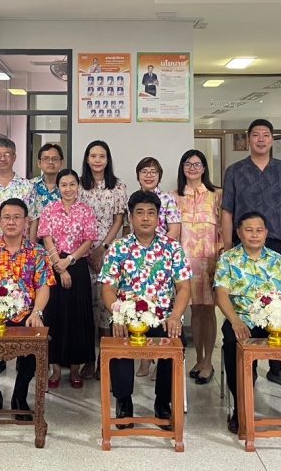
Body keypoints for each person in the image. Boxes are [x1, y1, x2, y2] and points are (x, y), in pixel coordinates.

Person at [221, 119, 281, 386]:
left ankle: (276, 367)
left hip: (279, 245)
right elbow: (227, 212)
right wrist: (227, 247)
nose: (260, 139)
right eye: (255, 135)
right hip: (243, 246)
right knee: (248, 301)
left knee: (278, 305)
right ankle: (250, 368)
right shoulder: (235, 171)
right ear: (248, 139)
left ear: (272, 139)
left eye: (265, 135)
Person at [99, 190, 191, 428]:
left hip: (162, 317)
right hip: (127, 315)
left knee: (175, 339)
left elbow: (184, 287)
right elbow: (108, 288)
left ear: (159, 217)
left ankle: (162, 402)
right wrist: (118, 314)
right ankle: (123, 401)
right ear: (131, 217)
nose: (146, 218)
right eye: (140, 213)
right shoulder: (118, 248)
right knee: (117, 337)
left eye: (151, 213)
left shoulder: (172, 247)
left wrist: (175, 316)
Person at [216, 211, 281, 432]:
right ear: (239, 233)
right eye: (249, 230)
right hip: (242, 319)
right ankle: (240, 409)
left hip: (275, 322)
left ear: (266, 233)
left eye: (259, 230)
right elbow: (221, 294)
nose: (254, 235)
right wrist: (235, 321)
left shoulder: (278, 260)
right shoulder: (228, 259)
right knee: (232, 344)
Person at [0, 198, 54, 420]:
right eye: (7, 217)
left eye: (17, 217)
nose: (12, 222)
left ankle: (19, 396)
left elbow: (43, 286)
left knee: (37, 337)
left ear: (26, 221)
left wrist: (37, 313)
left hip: (25, 314)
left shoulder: (37, 252)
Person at [38, 169, 98, 388]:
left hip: (78, 266)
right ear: (58, 187)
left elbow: (88, 240)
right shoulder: (49, 209)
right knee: (54, 317)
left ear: (78, 186)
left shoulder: (86, 211)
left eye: (72, 184)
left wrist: (70, 260)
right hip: (55, 265)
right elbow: (46, 239)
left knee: (78, 318)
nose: (68, 189)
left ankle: (75, 369)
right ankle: (55, 370)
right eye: (64, 185)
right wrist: (60, 266)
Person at [78, 140, 128, 379]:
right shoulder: (78, 185)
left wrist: (102, 248)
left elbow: (119, 220)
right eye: (93, 156)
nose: (97, 160)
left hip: (109, 252)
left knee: (106, 307)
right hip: (81, 252)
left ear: (107, 160)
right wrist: (87, 251)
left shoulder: (118, 186)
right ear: (87, 159)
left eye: (102, 156)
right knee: (86, 307)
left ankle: (103, 360)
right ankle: (88, 359)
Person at [175, 149, 224, 385]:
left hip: (210, 261)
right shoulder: (174, 197)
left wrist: (222, 255)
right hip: (186, 263)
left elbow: (223, 228)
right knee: (194, 310)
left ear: (204, 168)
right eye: (188, 164)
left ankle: (208, 361)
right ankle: (198, 358)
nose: (192, 168)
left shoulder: (217, 195)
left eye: (197, 164)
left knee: (209, 311)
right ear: (182, 168)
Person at [132, 156, 182, 378]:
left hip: (162, 259)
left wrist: (158, 252)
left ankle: (161, 360)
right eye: (144, 171)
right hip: (137, 259)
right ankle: (144, 360)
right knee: (139, 307)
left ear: (159, 176)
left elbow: (174, 230)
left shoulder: (168, 199)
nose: (149, 175)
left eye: (153, 171)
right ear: (138, 176)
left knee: (162, 308)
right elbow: (130, 229)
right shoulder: (133, 199)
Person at [0, 138, 36, 239]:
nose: (2, 158)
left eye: (7, 154)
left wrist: (32, 246)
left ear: (14, 157)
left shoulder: (28, 186)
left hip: (22, 246)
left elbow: (34, 220)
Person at [29, 143, 64, 240]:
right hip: (35, 240)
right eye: (46, 159)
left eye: (55, 159)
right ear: (39, 163)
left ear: (61, 163)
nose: (50, 162)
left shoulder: (69, 186)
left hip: (63, 241)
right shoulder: (30, 186)